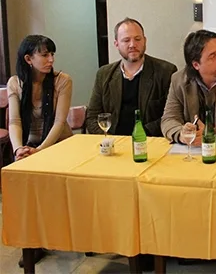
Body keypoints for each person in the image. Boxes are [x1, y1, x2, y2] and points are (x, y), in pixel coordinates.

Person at [7, 35, 72, 267]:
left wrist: (40, 150)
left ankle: (48, 237)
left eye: (52, 54)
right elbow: (14, 121)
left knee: (46, 187)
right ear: (28, 58)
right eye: (44, 55)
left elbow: (59, 122)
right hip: (27, 144)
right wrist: (18, 150)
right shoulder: (15, 83)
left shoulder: (62, 81)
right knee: (21, 191)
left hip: (56, 144)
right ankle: (30, 243)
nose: (50, 59)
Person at [85, 18, 177, 136]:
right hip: (114, 143)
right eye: (126, 40)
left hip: (150, 142)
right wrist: (109, 139)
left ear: (145, 41)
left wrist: (139, 137)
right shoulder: (104, 74)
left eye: (137, 39)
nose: (132, 45)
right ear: (116, 44)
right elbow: (92, 117)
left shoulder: (166, 72)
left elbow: (171, 117)